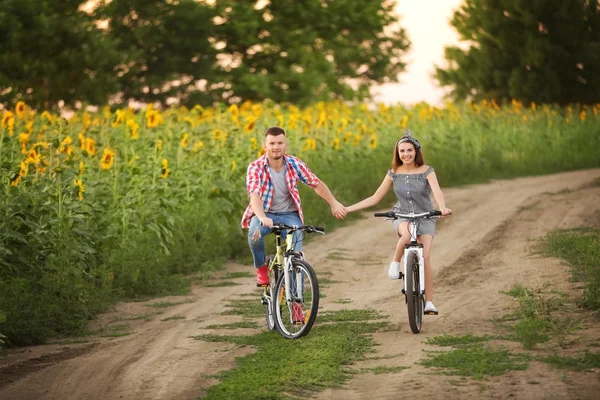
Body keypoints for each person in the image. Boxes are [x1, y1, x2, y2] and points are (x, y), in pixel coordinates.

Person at [345, 129, 451, 315]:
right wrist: (348, 208)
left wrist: (442, 207)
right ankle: (395, 262)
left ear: (416, 151)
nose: (406, 154)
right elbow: (375, 197)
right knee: (408, 234)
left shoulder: (427, 170)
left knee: (425, 257)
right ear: (397, 153)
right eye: (402, 151)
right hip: (402, 215)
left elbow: (437, 192)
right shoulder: (394, 172)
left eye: (409, 150)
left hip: (425, 215)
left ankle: (429, 302)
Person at [241, 126, 347, 288]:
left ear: (285, 145)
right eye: (272, 143)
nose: (276, 147)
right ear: (265, 145)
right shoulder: (255, 167)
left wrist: (334, 203)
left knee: (295, 257)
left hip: (289, 215)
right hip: (265, 213)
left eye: (279, 143)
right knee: (254, 235)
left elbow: (315, 183)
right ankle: (261, 267)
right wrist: (262, 217)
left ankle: (296, 302)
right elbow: (254, 194)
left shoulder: (294, 163)